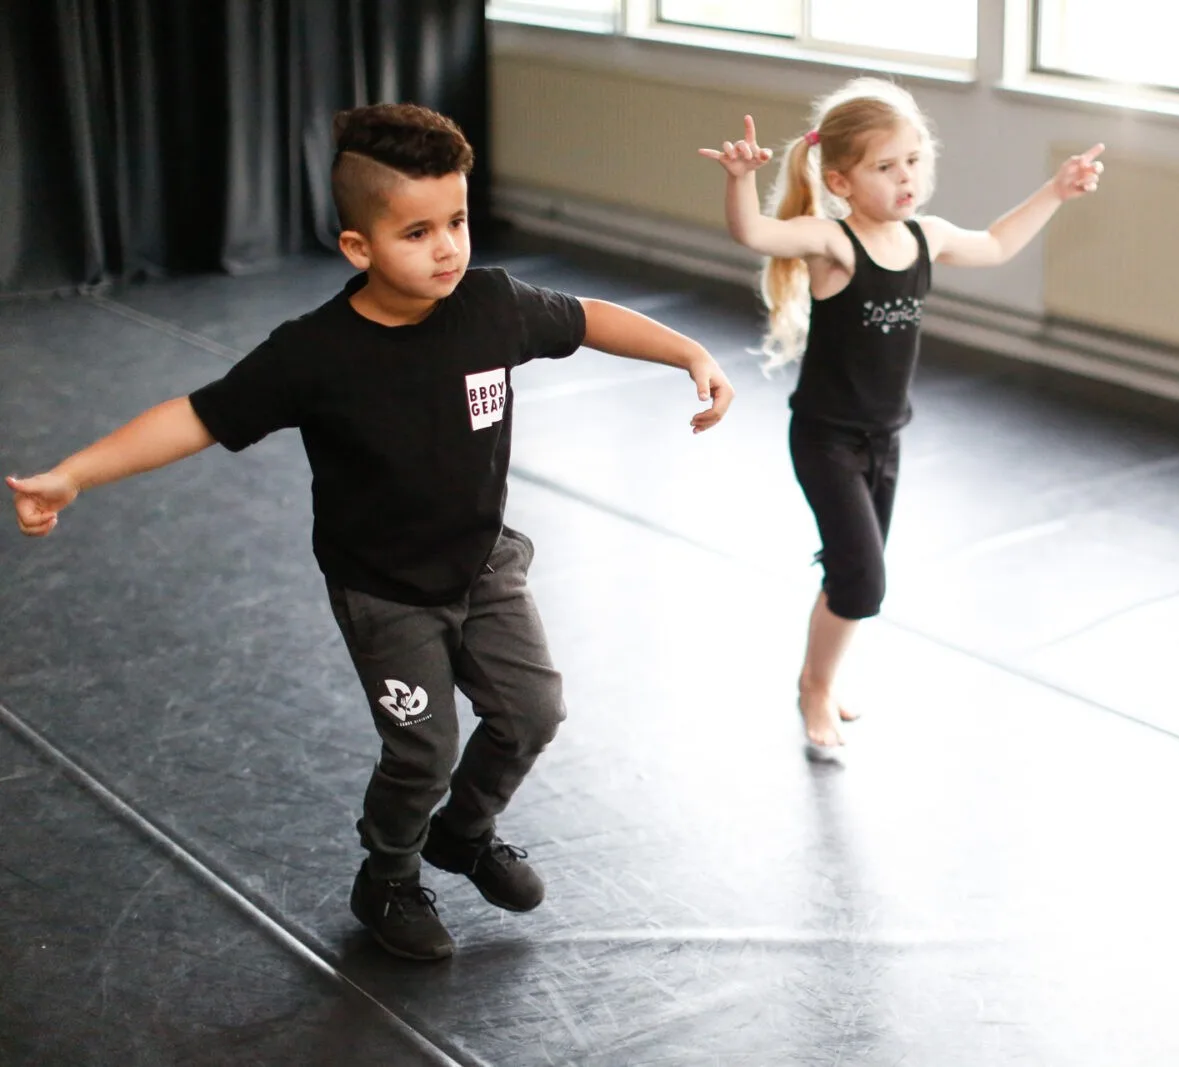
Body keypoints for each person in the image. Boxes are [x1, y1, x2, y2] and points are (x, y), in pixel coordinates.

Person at [9, 103, 735, 960]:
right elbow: (197, 416)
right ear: (359, 247)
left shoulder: (491, 305)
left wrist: (691, 352)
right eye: (418, 232)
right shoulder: (315, 354)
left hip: (484, 565)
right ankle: (388, 875)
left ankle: (462, 835)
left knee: (534, 712)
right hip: (386, 592)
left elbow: (587, 318)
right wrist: (73, 474)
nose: (447, 249)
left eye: (458, 221)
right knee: (423, 752)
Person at [699, 78, 1101, 757]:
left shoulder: (927, 236)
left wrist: (1055, 192)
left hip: (886, 440)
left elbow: (998, 243)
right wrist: (741, 179)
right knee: (863, 581)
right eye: (885, 167)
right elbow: (756, 232)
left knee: (850, 577)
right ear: (842, 180)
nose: (905, 177)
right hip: (826, 438)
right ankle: (814, 688)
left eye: (913, 160)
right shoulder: (835, 244)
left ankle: (816, 678)